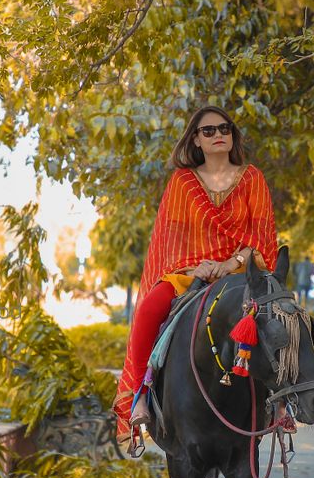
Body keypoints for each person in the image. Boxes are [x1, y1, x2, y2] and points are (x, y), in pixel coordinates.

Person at [114, 106, 278, 446]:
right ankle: (140, 395)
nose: (219, 134)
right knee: (147, 309)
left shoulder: (252, 178)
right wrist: (195, 267)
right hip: (189, 275)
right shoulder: (183, 182)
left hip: (241, 275)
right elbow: (168, 240)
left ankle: (281, 401)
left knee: (282, 315)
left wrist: (232, 262)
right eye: (209, 131)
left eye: (225, 128)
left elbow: (261, 238)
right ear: (195, 140)